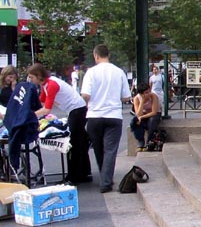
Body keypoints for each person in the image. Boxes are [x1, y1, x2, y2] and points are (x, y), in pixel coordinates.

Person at [27, 63, 92, 185]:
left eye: (31, 77)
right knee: (80, 142)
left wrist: (29, 116)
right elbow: (41, 101)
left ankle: (75, 176)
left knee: (73, 143)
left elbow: (46, 109)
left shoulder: (51, 84)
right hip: (75, 110)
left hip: (77, 110)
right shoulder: (46, 84)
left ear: (38, 75)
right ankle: (83, 173)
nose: (31, 80)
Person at [81, 44, 132, 193]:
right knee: (110, 150)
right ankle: (106, 180)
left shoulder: (90, 73)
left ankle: (105, 178)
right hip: (113, 116)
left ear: (96, 56)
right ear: (108, 55)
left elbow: (86, 95)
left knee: (98, 149)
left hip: (94, 116)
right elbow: (126, 97)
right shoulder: (119, 72)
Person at [130, 81, 161, 151]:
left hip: (153, 115)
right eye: (146, 93)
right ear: (141, 94)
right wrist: (142, 102)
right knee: (135, 121)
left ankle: (149, 140)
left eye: (149, 91)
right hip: (143, 115)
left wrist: (142, 117)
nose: (149, 94)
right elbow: (138, 114)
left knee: (152, 121)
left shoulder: (153, 96)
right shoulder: (136, 98)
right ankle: (140, 141)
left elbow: (154, 112)